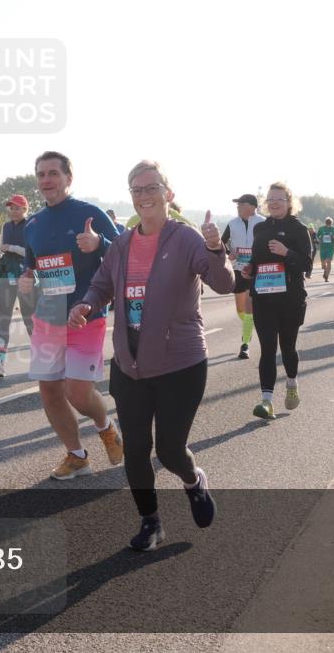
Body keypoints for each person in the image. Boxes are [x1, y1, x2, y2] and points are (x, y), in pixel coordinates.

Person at [70, 160, 233, 551]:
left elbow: (224, 282)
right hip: (130, 364)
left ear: (168, 194)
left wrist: (216, 249)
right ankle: (151, 523)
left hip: (180, 363)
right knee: (137, 450)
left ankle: (193, 481)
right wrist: (87, 304)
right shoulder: (123, 243)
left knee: (170, 451)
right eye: (136, 189)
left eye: (151, 187)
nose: (143, 196)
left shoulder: (186, 238)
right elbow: (102, 284)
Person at [17, 151, 123, 480]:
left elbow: (125, 252)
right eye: (41, 174)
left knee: (76, 392)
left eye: (53, 173)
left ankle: (106, 427)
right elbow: (33, 265)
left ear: (68, 178)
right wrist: (26, 277)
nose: (46, 180)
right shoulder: (32, 224)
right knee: (49, 390)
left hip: (85, 316)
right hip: (48, 318)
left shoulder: (88, 214)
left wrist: (99, 242)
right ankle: (76, 456)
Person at [240, 182, 312, 419]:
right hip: (263, 299)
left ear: (289, 203)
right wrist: (250, 268)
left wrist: (286, 252)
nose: (273, 203)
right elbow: (257, 259)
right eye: (270, 199)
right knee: (268, 348)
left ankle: (291, 383)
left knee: (287, 348)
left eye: (279, 199)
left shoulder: (298, 229)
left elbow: (307, 264)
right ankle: (267, 401)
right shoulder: (260, 228)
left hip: (290, 300)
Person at [0, 194, 36, 377]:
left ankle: (40, 358)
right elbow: (1, 246)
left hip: (25, 276)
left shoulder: (31, 226)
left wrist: (12, 248)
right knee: (3, 319)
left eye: (17, 208)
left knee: (29, 318)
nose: (14, 211)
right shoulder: (5, 226)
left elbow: (31, 253)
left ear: (25, 209)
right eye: (11, 208)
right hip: (6, 274)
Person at [221, 194, 265, 359]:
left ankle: (245, 344)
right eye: (237, 204)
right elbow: (221, 242)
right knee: (241, 310)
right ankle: (250, 322)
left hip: (256, 270)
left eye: (241, 204)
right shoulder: (233, 223)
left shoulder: (263, 222)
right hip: (238, 269)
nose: (238, 206)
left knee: (249, 307)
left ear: (252, 206)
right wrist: (228, 253)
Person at [315, 218, 334, 282]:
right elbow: (317, 236)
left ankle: (326, 276)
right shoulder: (321, 229)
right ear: (325, 223)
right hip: (323, 248)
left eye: (329, 224)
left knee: (328, 261)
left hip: (330, 248)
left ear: (331, 223)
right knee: (323, 265)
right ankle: (325, 270)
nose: (328, 225)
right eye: (327, 223)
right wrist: (318, 239)